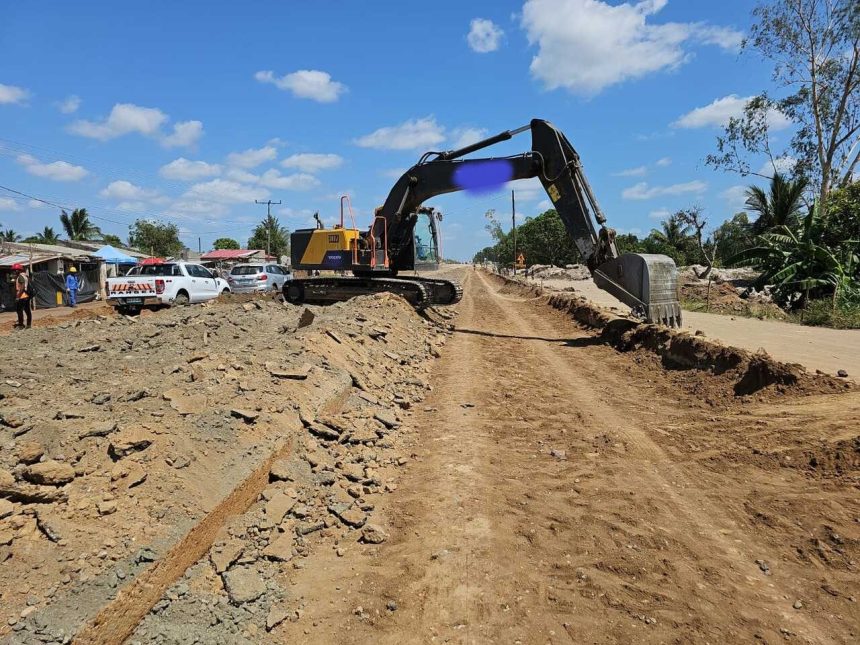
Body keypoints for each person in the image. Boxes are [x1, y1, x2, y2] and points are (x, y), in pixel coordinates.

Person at [12, 264, 32, 329]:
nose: (14, 271)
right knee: (27, 310)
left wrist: (18, 296)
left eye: (15, 270)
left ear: (19, 270)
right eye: (14, 270)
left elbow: (22, 286)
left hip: (22, 296)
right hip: (26, 295)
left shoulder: (20, 276)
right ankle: (29, 324)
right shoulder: (25, 276)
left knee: (19, 310)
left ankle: (21, 325)